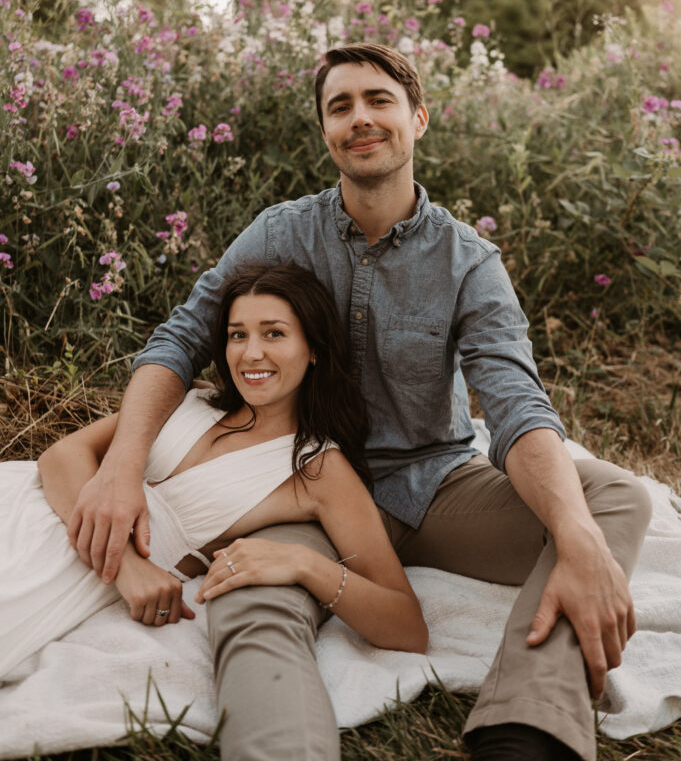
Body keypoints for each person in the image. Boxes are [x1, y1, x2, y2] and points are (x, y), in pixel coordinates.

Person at [68, 43, 652, 761]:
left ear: (418, 118)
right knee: (252, 596)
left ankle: (525, 729)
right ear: (325, 132)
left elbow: (514, 405)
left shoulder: (467, 260)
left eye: (377, 99)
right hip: (296, 484)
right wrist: (123, 466)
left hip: (436, 485)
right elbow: (184, 337)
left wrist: (575, 535)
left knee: (607, 506)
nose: (360, 118)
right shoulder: (282, 230)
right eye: (339, 106)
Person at [0, 262, 427, 684]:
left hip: (63, 569)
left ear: (313, 348)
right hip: (29, 505)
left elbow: (407, 624)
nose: (251, 352)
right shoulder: (192, 399)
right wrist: (128, 567)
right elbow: (61, 456)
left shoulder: (319, 470)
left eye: (273, 333)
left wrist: (305, 563)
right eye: (237, 334)